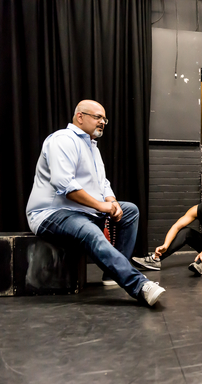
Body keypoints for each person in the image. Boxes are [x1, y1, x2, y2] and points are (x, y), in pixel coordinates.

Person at [25, 100, 165, 306]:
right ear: (80, 116)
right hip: (51, 213)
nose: (102, 122)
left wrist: (112, 202)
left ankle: (112, 274)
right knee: (89, 231)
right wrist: (101, 206)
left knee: (130, 211)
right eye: (97, 117)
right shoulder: (63, 140)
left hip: (83, 211)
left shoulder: (91, 146)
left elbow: (102, 183)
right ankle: (139, 285)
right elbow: (64, 184)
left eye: (104, 119)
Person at [132, 178, 202, 275]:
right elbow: (177, 226)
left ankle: (200, 262)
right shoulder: (199, 209)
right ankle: (156, 260)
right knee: (186, 232)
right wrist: (166, 245)